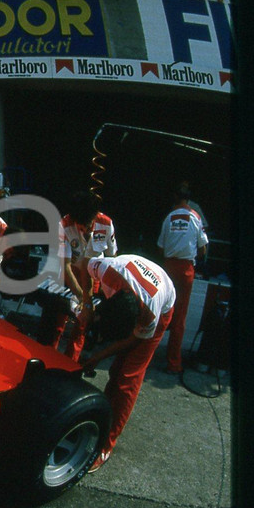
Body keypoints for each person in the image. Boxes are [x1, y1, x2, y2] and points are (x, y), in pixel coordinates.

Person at [76, 254, 175, 472]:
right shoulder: (108, 271)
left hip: (164, 301)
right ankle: (107, 409)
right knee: (116, 369)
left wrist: (96, 358)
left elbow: (132, 340)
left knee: (128, 377)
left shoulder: (150, 316)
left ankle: (106, 444)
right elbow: (82, 263)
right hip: (133, 277)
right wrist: (87, 303)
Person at [39, 191, 118, 360]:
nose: (86, 230)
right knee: (58, 320)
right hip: (69, 273)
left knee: (82, 324)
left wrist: (102, 292)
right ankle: (48, 358)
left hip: (94, 275)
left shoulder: (107, 224)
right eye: (81, 227)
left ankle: (70, 363)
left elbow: (112, 258)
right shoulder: (64, 225)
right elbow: (65, 265)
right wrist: (82, 297)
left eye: (89, 225)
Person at [157, 183, 209, 374]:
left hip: (169, 267)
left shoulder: (168, 217)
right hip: (186, 269)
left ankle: (145, 354)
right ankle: (173, 364)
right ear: (188, 200)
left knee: (161, 312)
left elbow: (160, 247)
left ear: (175, 198)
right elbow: (203, 249)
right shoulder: (195, 216)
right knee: (179, 319)